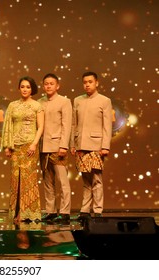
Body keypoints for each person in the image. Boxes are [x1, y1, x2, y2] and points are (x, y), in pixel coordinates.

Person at [1, 76, 44, 223]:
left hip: (29, 147)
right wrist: (8, 146)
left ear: (32, 89)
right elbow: (8, 127)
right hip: (15, 147)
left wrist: (34, 144)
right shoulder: (12, 105)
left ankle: (29, 213)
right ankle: (16, 212)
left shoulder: (37, 106)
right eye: (22, 86)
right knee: (15, 180)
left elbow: (41, 127)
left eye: (28, 87)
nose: (25, 89)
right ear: (19, 88)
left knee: (28, 180)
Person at [70, 71, 113, 219]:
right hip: (81, 145)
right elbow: (73, 124)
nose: (87, 85)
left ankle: (98, 210)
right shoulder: (77, 100)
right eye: (85, 82)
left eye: (90, 82)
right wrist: (73, 144)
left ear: (97, 83)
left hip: (96, 145)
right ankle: (84, 210)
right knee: (86, 180)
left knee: (97, 179)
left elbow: (107, 125)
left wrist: (105, 146)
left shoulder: (104, 101)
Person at [38, 73, 72, 223]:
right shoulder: (39, 102)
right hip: (43, 147)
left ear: (57, 86)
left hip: (58, 147)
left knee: (63, 181)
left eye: (52, 83)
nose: (49, 86)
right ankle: (50, 211)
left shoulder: (64, 102)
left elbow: (67, 125)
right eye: (46, 83)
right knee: (47, 181)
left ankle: (65, 212)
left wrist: (64, 145)